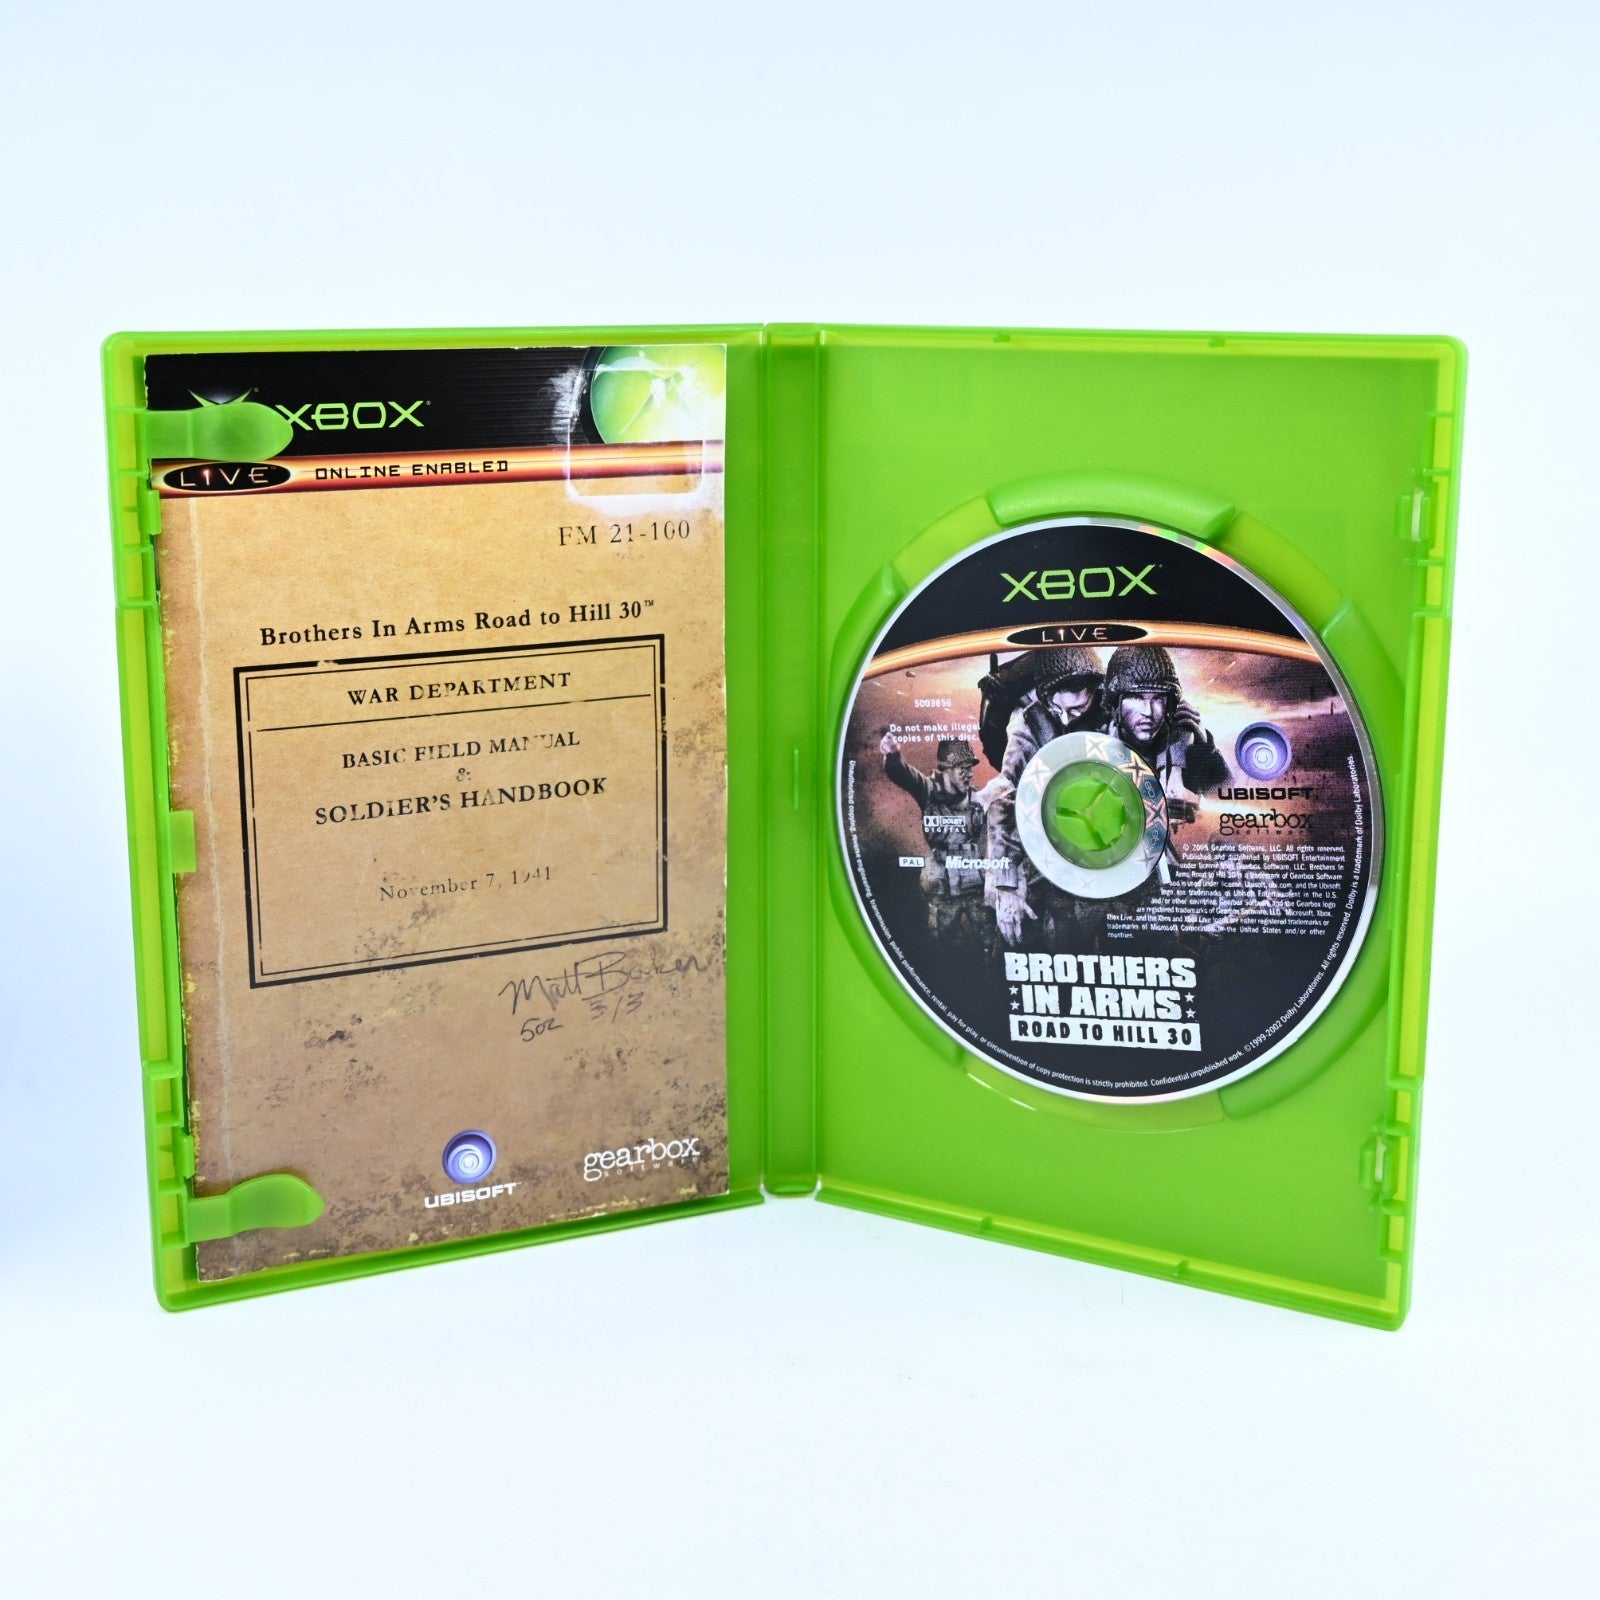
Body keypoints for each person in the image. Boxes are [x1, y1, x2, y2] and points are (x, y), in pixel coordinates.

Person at [986, 646, 1106, 948]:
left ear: (1095, 692)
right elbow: (1004, 802)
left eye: (1076, 709)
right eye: (1056, 708)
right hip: (1043, 839)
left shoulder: (1110, 709)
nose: (1065, 719)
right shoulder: (1028, 725)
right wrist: (1005, 887)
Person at [879, 733, 993, 947]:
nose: (969, 773)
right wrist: (893, 754)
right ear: (947, 769)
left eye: (970, 768)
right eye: (963, 768)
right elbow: (903, 773)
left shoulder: (977, 797)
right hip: (942, 887)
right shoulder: (928, 790)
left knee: (989, 941)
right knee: (944, 943)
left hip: (975, 884)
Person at [1100, 644, 1229, 814]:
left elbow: (1228, 798)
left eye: (1158, 699)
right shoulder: (1096, 746)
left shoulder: (1183, 748)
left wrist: (1206, 749)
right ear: (1115, 704)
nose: (1148, 712)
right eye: (1137, 698)